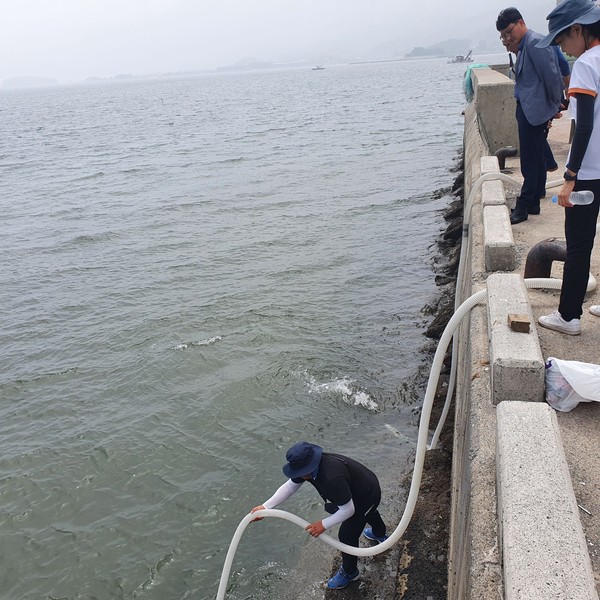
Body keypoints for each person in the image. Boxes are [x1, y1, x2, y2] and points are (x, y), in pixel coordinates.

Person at [536, 0, 600, 335]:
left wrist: (569, 177)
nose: (564, 49)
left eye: (562, 41)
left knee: (578, 245)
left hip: (589, 172)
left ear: (578, 30)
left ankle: (569, 316)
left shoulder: (587, 64)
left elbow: (586, 127)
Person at [251, 441, 388, 590]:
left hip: (367, 494)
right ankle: (379, 533)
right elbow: (290, 486)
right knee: (365, 513)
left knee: (347, 535)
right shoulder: (310, 468)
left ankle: (350, 572)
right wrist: (265, 506)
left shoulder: (332, 477)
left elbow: (348, 510)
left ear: (307, 468)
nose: (297, 475)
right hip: (359, 486)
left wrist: (323, 524)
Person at [496, 7, 566, 224]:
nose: (508, 37)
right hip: (529, 109)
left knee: (529, 159)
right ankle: (534, 201)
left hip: (534, 111)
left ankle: (524, 206)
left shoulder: (534, 42)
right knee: (536, 156)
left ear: (520, 23)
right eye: (503, 36)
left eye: (509, 31)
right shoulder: (524, 45)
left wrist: (556, 105)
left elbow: (552, 76)